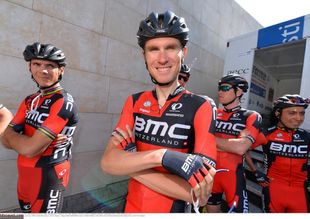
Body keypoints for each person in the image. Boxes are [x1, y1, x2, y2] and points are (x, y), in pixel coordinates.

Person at [100, 10, 217, 213]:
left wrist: (130, 162)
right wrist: (161, 156)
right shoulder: (134, 101)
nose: (162, 58)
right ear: (144, 55)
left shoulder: (201, 106)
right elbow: (108, 163)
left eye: (170, 48)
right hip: (131, 208)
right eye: (153, 49)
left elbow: (200, 194)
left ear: (184, 53)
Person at [1, 42, 79, 213]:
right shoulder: (30, 100)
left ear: (61, 71)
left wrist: (16, 137)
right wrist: (20, 139)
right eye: (37, 64)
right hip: (24, 174)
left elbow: (29, 149)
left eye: (50, 66)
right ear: (30, 67)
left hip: (48, 176)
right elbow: (5, 141)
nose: (42, 70)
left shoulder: (63, 102)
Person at [246, 94, 310, 213]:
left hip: (300, 192)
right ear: (278, 113)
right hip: (273, 189)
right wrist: (255, 171)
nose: (298, 118)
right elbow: (243, 150)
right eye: (292, 113)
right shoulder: (266, 134)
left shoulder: (309, 138)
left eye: (302, 113)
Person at [206, 74, 262, 213]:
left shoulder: (251, 116)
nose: (220, 91)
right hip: (210, 174)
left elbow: (240, 148)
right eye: (219, 87)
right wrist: (233, 141)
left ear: (239, 91)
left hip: (233, 177)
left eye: (225, 88)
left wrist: (208, 139)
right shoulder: (213, 113)